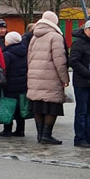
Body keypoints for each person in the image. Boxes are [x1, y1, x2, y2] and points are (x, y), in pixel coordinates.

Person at [26, 10, 69, 145]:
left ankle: (40, 135)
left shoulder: (34, 36)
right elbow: (59, 61)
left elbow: (29, 58)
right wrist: (65, 79)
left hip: (35, 76)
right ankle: (46, 134)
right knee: (51, 106)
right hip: (51, 77)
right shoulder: (55, 37)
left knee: (38, 105)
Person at [69, 18, 90, 148]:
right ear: (85, 30)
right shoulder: (78, 44)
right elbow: (74, 62)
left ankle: (89, 134)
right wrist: (89, 73)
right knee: (82, 111)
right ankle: (80, 137)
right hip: (82, 83)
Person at [0, 30, 29, 137]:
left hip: (10, 84)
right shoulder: (25, 51)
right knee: (20, 108)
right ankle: (20, 130)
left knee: (9, 107)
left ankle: (7, 129)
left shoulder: (7, 54)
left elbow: (4, 69)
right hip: (22, 84)